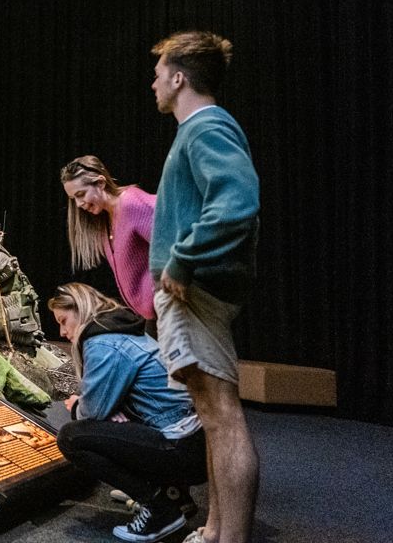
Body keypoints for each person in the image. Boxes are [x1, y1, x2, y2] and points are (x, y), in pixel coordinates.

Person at [148, 31, 260, 543]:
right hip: (194, 292)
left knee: (222, 414)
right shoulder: (197, 130)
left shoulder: (207, 125)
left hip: (198, 292)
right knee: (211, 416)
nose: (153, 83)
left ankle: (230, 538)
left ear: (178, 77)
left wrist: (183, 259)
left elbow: (237, 202)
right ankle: (215, 530)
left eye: (158, 74)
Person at [50, 283, 206, 543]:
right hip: (194, 441)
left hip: (183, 448)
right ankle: (175, 495)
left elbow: (91, 410)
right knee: (105, 426)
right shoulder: (119, 329)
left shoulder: (102, 342)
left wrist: (78, 405)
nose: (62, 332)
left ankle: (159, 508)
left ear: (80, 308)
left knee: (72, 437)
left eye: (63, 321)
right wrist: (110, 410)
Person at [60, 156, 158, 329]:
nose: (79, 204)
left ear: (100, 183)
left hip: (170, 307)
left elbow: (172, 244)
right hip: (151, 316)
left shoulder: (130, 203)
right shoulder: (105, 221)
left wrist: (165, 290)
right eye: (73, 198)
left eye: (81, 194)